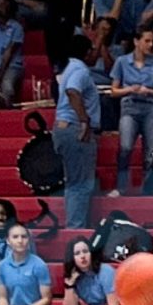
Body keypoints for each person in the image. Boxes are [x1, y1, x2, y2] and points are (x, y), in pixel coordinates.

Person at [110, 25, 153, 195]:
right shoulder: (122, 61)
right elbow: (114, 91)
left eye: (152, 41)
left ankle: (149, 189)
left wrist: (149, 91)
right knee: (126, 146)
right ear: (137, 42)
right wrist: (129, 89)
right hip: (130, 107)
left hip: (151, 107)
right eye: (147, 41)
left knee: (150, 152)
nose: (150, 45)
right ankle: (121, 187)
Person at [53, 34, 101, 231]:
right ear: (86, 52)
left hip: (64, 129)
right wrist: (84, 120)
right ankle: (75, 230)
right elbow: (73, 92)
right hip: (75, 130)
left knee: (74, 182)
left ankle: (75, 227)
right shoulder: (80, 70)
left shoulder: (68, 68)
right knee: (80, 184)